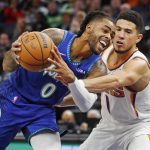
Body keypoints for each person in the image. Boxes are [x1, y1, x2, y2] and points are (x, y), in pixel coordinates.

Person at [0, 11, 114, 149]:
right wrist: (13, 54)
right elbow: (7, 67)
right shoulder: (56, 37)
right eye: (105, 30)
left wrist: (71, 83)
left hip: (41, 111)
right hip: (11, 97)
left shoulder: (98, 68)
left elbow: (85, 104)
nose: (109, 37)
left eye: (112, 35)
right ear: (89, 28)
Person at [47, 10, 150, 150]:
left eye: (127, 31)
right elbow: (87, 91)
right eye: (118, 29)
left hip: (139, 127)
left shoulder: (139, 63)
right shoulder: (104, 52)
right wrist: (57, 101)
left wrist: (73, 81)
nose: (120, 35)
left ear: (138, 38)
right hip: (107, 127)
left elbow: (116, 80)